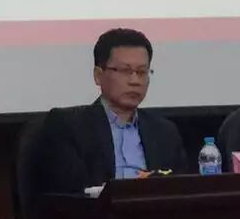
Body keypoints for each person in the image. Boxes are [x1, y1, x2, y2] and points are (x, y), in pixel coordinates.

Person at [33, 28, 186, 195]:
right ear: (98, 75)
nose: (135, 81)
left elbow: (181, 192)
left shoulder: (164, 132)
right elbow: (70, 194)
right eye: (125, 71)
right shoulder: (69, 127)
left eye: (142, 72)